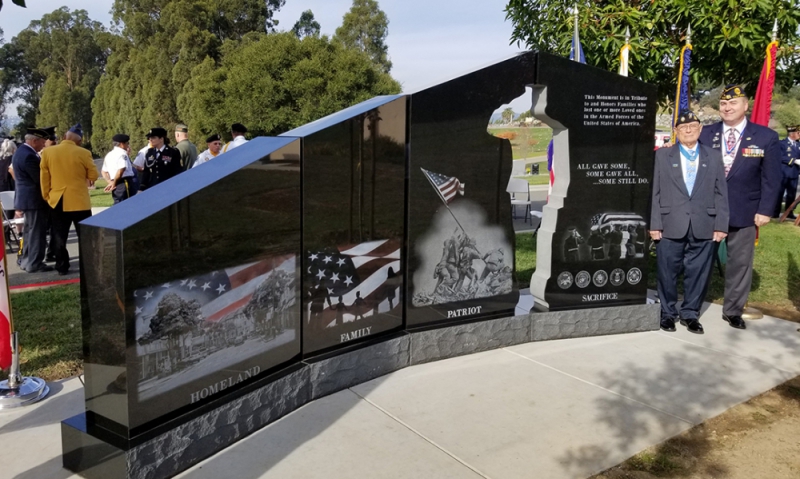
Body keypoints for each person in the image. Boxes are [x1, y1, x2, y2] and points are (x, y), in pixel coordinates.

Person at [698, 84, 782, 330]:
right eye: (723, 103)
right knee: (701, 260)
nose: (727, 107)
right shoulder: (706, 133)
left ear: (746, 106)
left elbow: (771, 178)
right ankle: (692, 305)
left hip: (745, 209)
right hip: (708, 210)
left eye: (733, 103)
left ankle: (733, 309)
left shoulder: (765, 136)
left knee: (740, 263)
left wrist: (766, 210)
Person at [651, 110, 729, 334]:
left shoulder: (713, 156)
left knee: (699, 272)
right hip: (670, 223)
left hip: (704, 223)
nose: (688, 130)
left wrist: (721, 225)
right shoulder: (663, 156)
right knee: (667, 271)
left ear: (700, 129)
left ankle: (690, 314)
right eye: (683, 127)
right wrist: (654, 223)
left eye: (693, 126)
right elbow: (654, 191)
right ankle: (667, 313)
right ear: (675, 131)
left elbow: (721, 193)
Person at [40, 123, 98, 275]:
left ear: (64, 137)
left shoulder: (48, 153)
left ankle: (62, 266)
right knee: (85, 235)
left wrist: (46, 195)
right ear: (79, 141)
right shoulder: (84, 153)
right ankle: (89, 265)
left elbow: (44, 178)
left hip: (57, 199)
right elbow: (93, 176)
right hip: (79, 200)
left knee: (59, 236)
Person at [11, 127, 52, 272]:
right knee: (37, 233)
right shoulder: (29, 156)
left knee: (29, 232)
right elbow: (39, 179)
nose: (43, 145)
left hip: (27, 199)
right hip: (34, 200)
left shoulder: (22, 152)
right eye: (42, 142)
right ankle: (35, 263)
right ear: (34, 141)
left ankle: (27, 261)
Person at [102, 134, 138, 203]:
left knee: (118, 202)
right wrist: (114, 183)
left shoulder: (109, 155)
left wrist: (110, 182)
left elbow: (104, 172)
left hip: (116, 183)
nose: (128, 145)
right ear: (122, 144)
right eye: (127, 143)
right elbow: (121, 170)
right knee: (128, 203)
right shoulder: (122, 154)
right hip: (124, 182)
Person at [774, 125, 800, 219]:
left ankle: (789, 212)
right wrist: (794, 160)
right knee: (779, 193)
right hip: (783, 172)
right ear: (792, 134)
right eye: (798, 133)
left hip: (794, 173)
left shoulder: (798, 144)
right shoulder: (782, 144)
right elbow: (780, 156)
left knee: (791, 194)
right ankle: (775, 212)